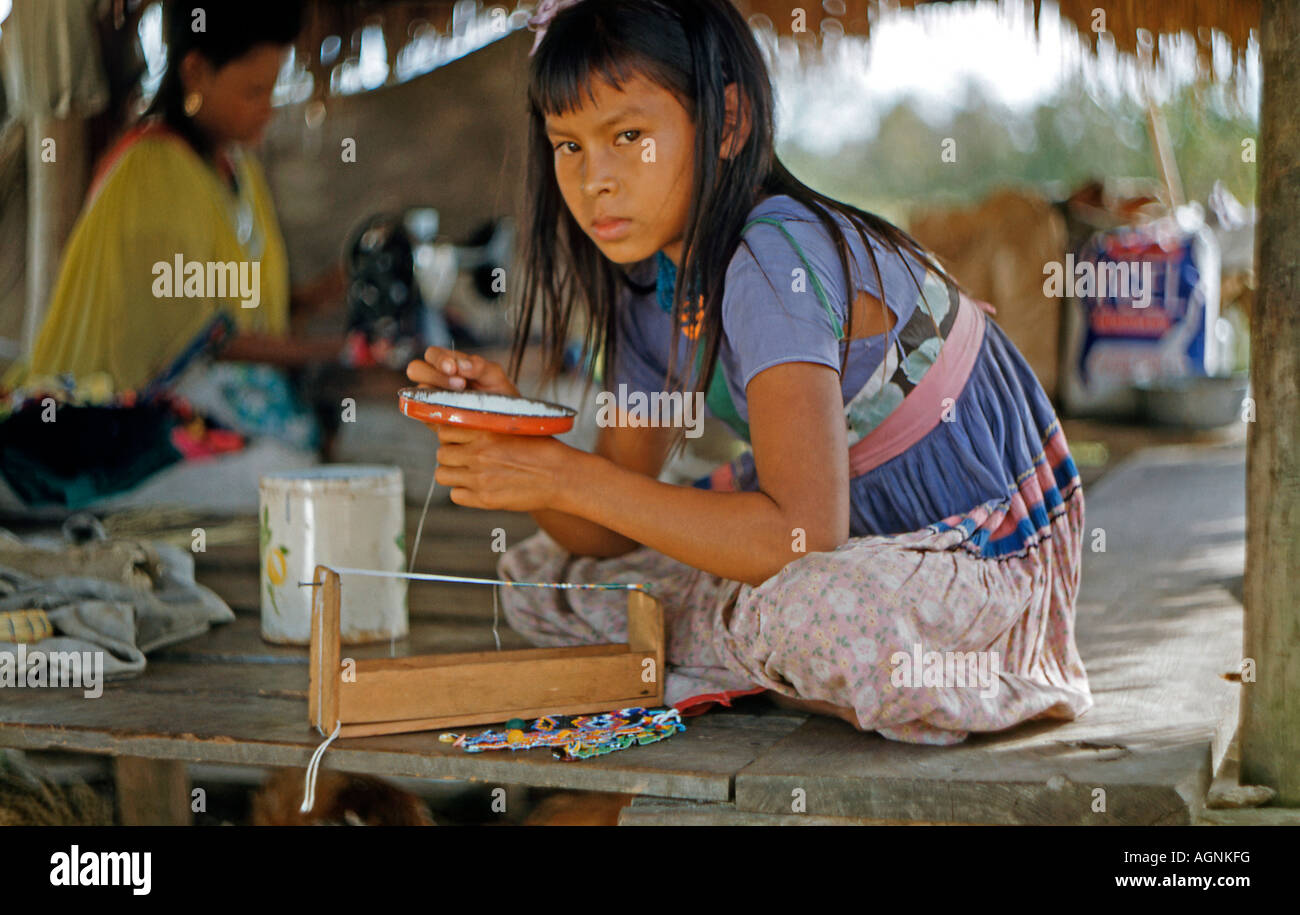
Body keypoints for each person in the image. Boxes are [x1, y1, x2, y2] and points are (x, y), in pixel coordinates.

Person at [405, 0, 1092, 745]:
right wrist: (522, 441)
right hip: (842, 546)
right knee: (543, 574)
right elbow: (597, 528)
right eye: (567, 145)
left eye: (628, 136)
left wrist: (569, 480)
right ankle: (761, 655)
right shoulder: (649, 287)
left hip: (983, 562)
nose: (593, 178)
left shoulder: (773, 256)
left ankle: (773, 656)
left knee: (820, 616)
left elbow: (801, 533)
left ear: (728, 124)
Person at [0, 0, 343, 514]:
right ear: (196, 70)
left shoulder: (235, 172)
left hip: (205, 411)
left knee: (291, 467)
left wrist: (324, 294)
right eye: (254, 91)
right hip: (121, 418)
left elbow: (241, 308)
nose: (269, 107)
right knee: (278, 475)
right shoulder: (152, 171)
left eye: (272, 90)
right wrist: (341, 352)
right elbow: (204, 342)